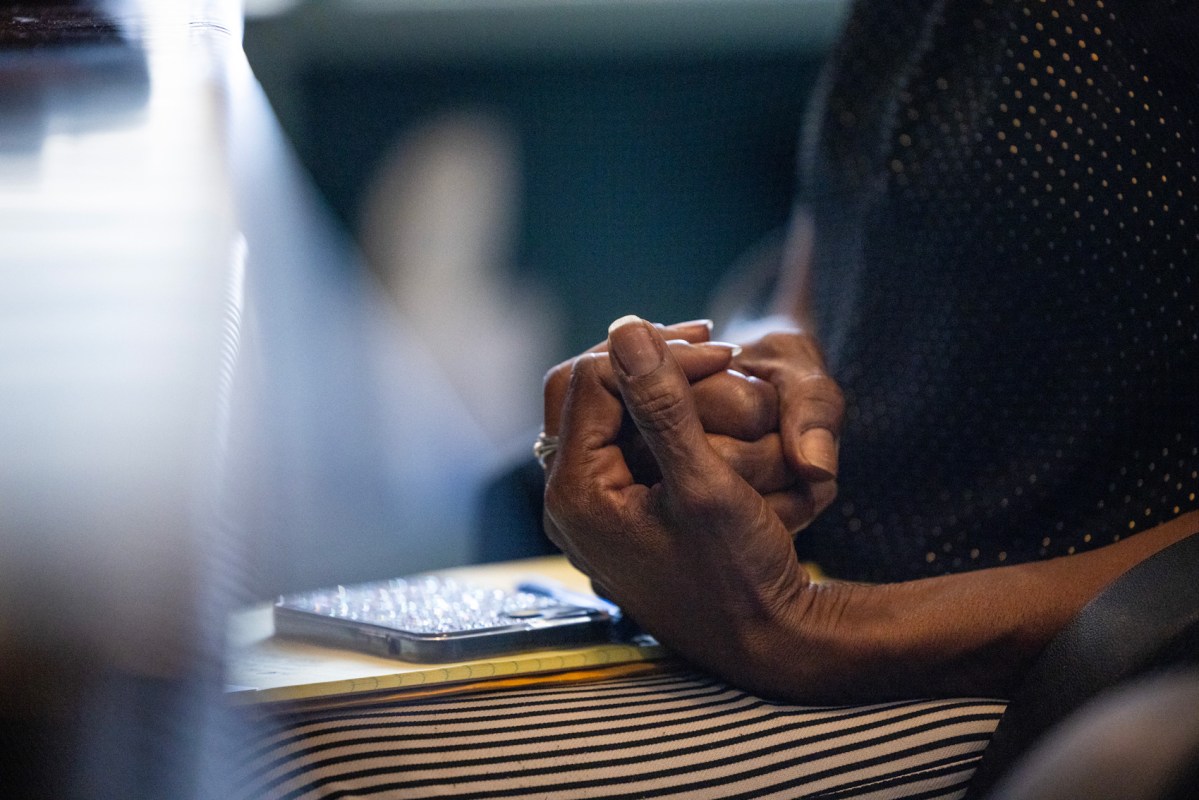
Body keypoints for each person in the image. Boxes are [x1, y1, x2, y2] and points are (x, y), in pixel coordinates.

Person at [238, 0, 1198, 796]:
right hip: (821, 587)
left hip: (1054, 661)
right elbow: (834, 247)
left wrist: (823, 634)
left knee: (284, 767)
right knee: (237, 706)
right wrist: (744, 386)